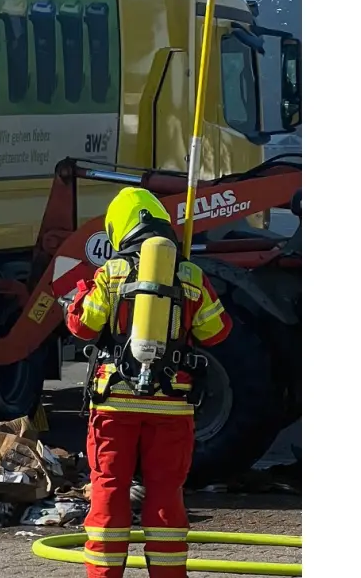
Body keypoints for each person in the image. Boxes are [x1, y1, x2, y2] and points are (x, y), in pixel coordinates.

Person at [65, 187, 233, 578]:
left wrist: (80, 294)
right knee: (165, 493)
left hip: (114, 404)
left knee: (109, 487)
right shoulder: (190, 274)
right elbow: (218, 332)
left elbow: (83, 326)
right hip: (171, 404)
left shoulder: (111, 272)